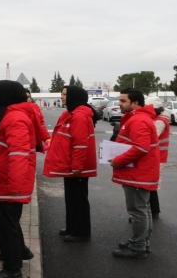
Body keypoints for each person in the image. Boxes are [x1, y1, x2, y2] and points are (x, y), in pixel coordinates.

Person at [0, 81, 37, 278]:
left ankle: (12, 270)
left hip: (7, 184)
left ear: (3, 96)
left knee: (6, 226)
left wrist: (15, 186)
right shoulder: (7, 114)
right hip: (1, 181)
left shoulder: (15, 118)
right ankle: (18, 251)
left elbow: (19, 154)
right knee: (8, 223)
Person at [109, 88, 160, 259]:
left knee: (137, 210)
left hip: (138, 173)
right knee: (143, 209)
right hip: (139, 172)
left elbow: (141, 147)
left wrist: (118, 160)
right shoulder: (138, 118)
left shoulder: (138, 120)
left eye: (123, 101)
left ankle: (138, 246)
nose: (119, 104)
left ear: (135, 103)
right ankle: (141, 242)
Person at [43, 86, 98, 243]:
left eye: (65, 94)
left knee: (78, 200)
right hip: (70, 165)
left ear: (75, 96)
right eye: (61, 94)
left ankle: (80, 232)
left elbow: (80, 144)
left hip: (77, 167)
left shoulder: (79, 116)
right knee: (71, 198)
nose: (62, 97)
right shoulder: (70, 113)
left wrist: (77, 166)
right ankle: (72, 227)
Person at [145, 96, 171, 219]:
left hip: (157, 157)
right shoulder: (158, 119)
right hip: (156, 156)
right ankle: (154, 211)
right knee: (151, 185)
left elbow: (151, 136)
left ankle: (149, 212)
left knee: (150, 185)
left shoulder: (159, 121)